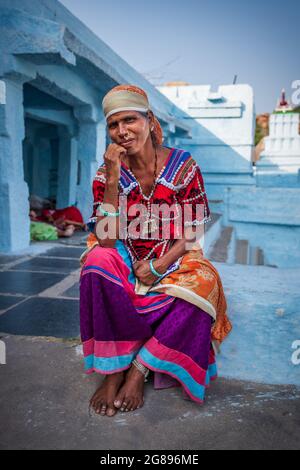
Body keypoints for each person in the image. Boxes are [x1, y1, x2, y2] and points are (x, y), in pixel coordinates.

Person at [79, 84, 232, 417]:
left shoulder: (183, 166)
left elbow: (192, 229)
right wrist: (114, 177)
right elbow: (106, 238)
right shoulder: (107, 173)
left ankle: (139, 368)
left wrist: (160, 265)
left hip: (173, 256)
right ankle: (113, 371)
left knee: (206, 285)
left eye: (130, 120)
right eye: (113, 125)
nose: (122, 131)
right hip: (124, 254)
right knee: (97, 260)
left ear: (149, 121)